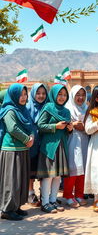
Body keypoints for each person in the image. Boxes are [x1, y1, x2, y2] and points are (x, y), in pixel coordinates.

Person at [0, 83, 34, 220]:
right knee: (11, 181)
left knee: (21, 180)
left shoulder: (23, 110)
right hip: (11, 150)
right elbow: (12, 128)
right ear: (13, 95)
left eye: (25, 94)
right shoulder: (9, 110)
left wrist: (32, 135)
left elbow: (30, 124)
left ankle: (16, 206)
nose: (23, 97)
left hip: (23, 149)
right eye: (21, 94)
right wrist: (27, 139)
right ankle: (7, 210)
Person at [37, 84, 72, 214]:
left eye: (64, 95)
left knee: (57, 176)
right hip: (49, 146)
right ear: (54, 95)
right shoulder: (48, 107)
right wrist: (55, 126)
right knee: (48, 176)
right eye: (59, 94)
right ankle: (45, 202)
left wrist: (69, 129)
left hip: (62, 145)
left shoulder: (66, 111)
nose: (62, 97)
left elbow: (67, 131)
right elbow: (40, 125)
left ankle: (53, 200)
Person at [63, 85, 89, 208]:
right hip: (72, 140)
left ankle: (79, 194)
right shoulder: (67, 108)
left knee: (83, 167)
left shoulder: (86, 108)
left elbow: (89, 124)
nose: (80, 97)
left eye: (83, 95)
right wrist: (73, 124)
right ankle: (68, 195)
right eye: (78, 95)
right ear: (72, 95)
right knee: (73, 167)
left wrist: (82, 126)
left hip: (85, 140)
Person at [26, 83, 48, 207]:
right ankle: (30, 193)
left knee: (42, 170)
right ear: (33, 94)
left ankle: (43, 194)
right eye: (38, 93)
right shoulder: (27, 107)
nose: (41, 96)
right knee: (31, 169)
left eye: (43, 93)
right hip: (32, 143)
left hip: (44, 142)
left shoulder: (47, 106)